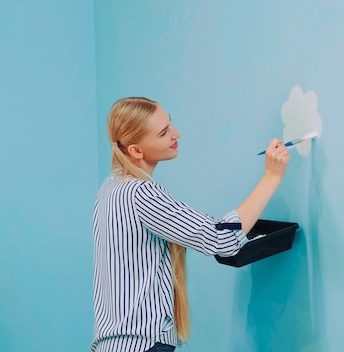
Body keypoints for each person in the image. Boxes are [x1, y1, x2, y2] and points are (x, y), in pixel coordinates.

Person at [91, 97, 290, 352]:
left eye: (169, 124)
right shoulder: (141, 193)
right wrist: (272, 177)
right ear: (136, 150)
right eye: (163, 133)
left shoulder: (110, 188)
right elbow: (222, 240)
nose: (176, 134)